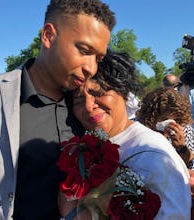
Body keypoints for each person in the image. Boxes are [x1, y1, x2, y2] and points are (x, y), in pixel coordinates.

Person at [0, 0, 116, 219]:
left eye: (98, 58)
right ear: (48, 36)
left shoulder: (86, 110)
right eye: (83, 50)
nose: (91, 68)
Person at [58, 50, 191, 219]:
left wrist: (73, 214)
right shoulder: (86, 149)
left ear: (123, 92)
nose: (88, 106)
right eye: (78, 100)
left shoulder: (153, 153)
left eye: (99, 93)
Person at [136, 87, 194, 169]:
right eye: (165, 119)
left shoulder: (185, 129)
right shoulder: (138, 129)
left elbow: (188, 166)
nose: (171, 123)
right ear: (152, 115)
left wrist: (181, 147)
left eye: (176, 119)